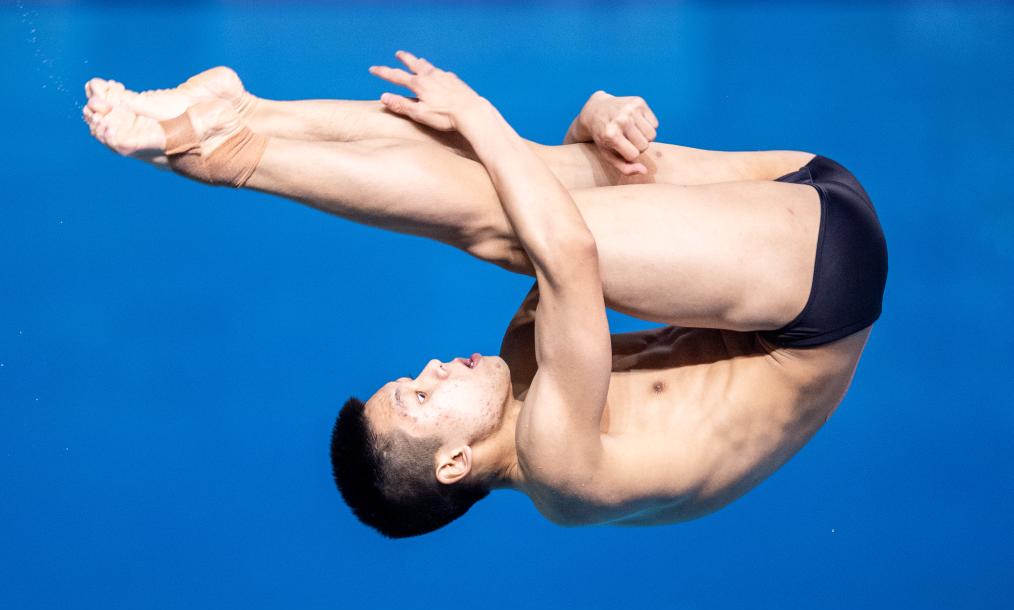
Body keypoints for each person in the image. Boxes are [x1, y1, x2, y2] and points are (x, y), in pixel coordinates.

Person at [82, 52, 887, 538]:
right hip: (819, 288)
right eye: (422, 397)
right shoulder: (560, 469)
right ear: (454, 462)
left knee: (507, 188)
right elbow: (570, 249)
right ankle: (231, 154)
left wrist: (589, 126)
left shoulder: (522, 367)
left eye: (413, 378)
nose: (432, 366)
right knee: (502, 224)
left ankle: (249, 113)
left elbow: (557, 203)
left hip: (797, 187)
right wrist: (473, 109)